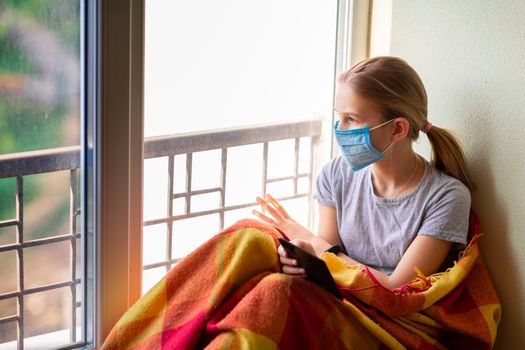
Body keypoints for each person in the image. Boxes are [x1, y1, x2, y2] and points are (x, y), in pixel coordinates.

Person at [253, 56, 474, 289]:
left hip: (392, 316)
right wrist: (306, 255)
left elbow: (395, 289)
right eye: (339, 117)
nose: (340, 130)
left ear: (398, 128)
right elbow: (329, 255)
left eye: (351, 119)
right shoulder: (334, 174)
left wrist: (315, 244)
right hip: (342, 296)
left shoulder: (447, 197)